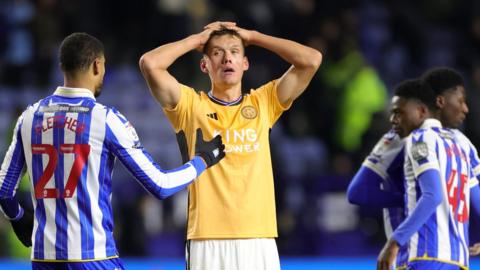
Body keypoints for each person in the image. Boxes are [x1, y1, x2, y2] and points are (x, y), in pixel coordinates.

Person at [0, 32, 225, 269]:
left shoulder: (30, 116)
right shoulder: (104, 119)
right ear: (97, 65)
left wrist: (17, 217)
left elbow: (4, 189)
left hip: (44, 259)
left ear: (62, 67)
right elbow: (161, 185)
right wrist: (203, 160)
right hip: (93, 258)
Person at [139, 21, 322, 269]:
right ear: (205, 65)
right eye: (217, 53)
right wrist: (197, 40)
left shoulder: (263, 103)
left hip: (259, 237)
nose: (227, 59)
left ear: (245, 64)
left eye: (235, 52)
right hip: (207, 238)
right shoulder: (190, 107)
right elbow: (150, 63)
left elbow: (311, 60)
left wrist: (253, 37)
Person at [348, 68, 480, 268]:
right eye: (461, 101)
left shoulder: (405, 138)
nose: (465, 109)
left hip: (415, 254)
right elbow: (475, 199)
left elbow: (358, 192)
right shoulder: (463, 143)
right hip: (457, 258)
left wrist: (408, 202)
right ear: (439, 101)